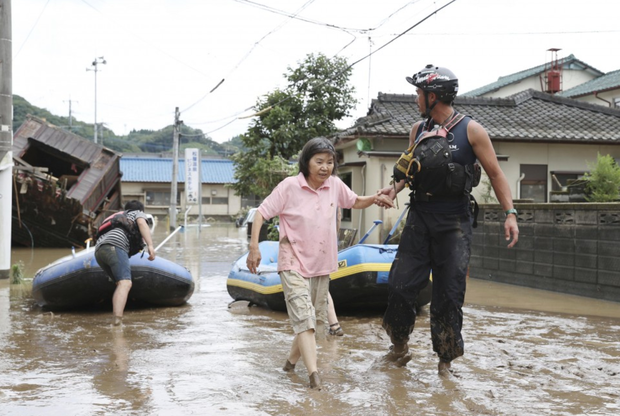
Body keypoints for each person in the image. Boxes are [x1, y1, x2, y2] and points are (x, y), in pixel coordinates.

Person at [375, 64, 519, 375]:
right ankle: (399, 347)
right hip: (420, 217)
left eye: (419, 93)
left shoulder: (472, 131)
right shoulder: (417, 130)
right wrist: (393, 188)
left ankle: (445, 364)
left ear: (434, 96)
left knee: (449, 295)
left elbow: (496, 174)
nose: (416, 98)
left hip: (455, 222)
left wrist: (510, 213)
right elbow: (409, 170)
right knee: (400, 286)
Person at [246, 137, 394, 390]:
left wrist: (376, 197)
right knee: (305, 317)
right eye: (319, 161)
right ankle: (314, 376)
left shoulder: (335, 185)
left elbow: (355, 201)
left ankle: (289, 365)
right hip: (291, 257)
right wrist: (254, 247)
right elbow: (261, 212)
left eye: (329, 162)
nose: (325, 167)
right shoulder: (290, 186)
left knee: (312, 318)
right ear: (307, 162)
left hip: (321, 262)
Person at [95, 200, 156, 326]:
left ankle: (117, 316)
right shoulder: (137, 213)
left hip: (99, 251)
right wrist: (150, 245)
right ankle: (117, 323)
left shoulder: (117, 217)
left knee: (120, 283)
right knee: (125, 283)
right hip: (115, 246)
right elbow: (141, 223)